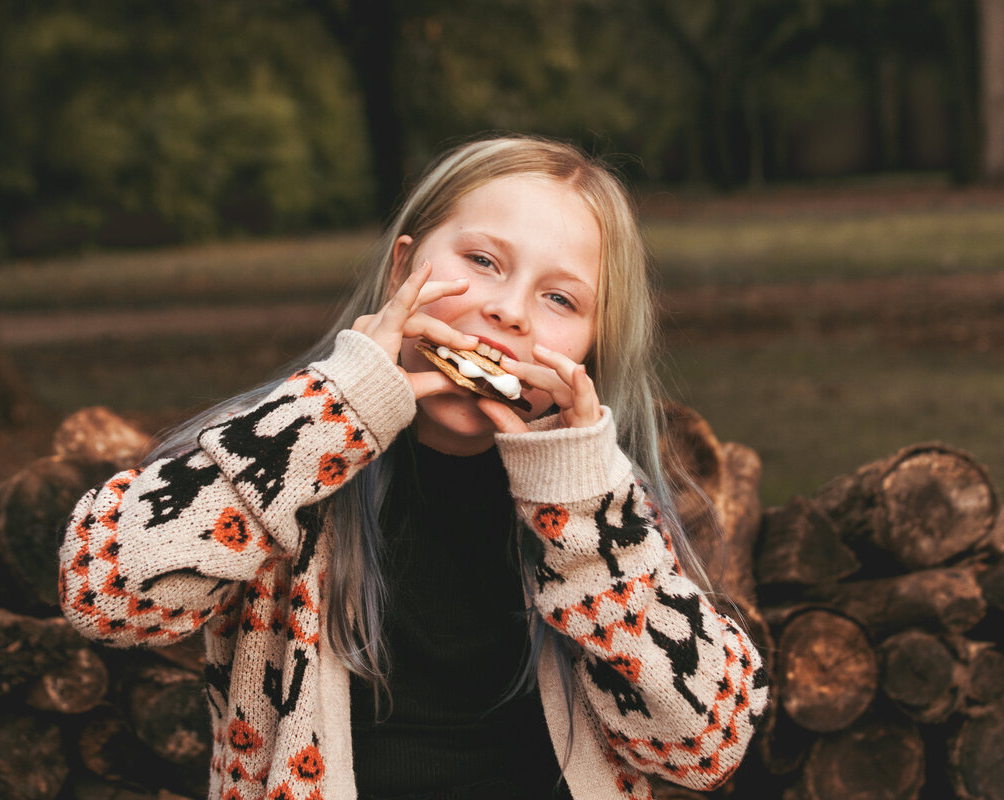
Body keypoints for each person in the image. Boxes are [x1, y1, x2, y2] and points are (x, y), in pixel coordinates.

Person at [58, 134, 769, 800]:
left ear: (589, 348)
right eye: (483, 261)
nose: (507, 311)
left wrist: (582, 509)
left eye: (560, 299)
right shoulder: (282, 455)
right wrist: (330, 412)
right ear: (403, 268)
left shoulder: (600, 505)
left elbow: (706, 746)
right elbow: (103, 595)